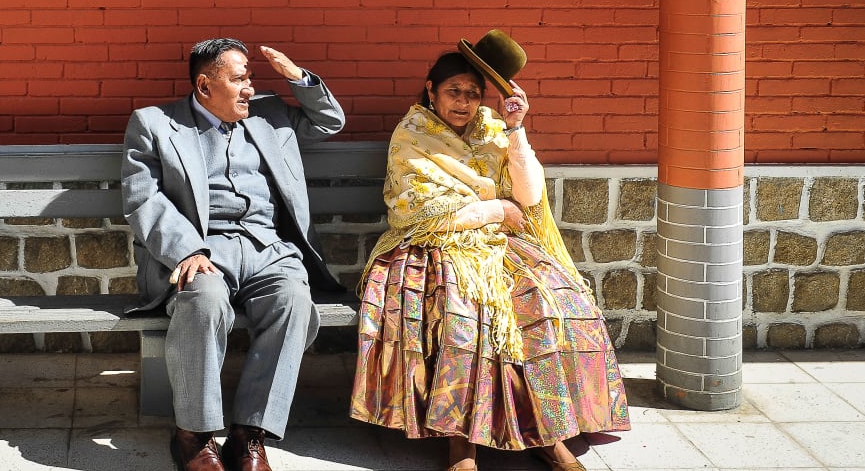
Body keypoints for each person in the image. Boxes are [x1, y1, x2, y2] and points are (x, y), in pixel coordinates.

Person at [350, 32, 630, 471]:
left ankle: (549, 432)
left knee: (551, 303)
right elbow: (416, 212)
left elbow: (529, 195)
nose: (463, 102)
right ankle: (460, 442)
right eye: (453, 91)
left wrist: (516, 129)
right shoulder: (413, 134)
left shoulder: (494, 129)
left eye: (473, 93)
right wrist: (495, 209)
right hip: (431, 244)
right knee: (462, 312)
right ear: (431, 90)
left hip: (500, 244)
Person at [122, 39, 345, 471]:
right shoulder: (154, 123)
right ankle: (194, 435)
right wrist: (187, 249)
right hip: (201, 249)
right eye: (239, 78)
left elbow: (330, 121)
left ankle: (248, 434)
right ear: (205, 85)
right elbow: (143, 198)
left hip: (269, 248)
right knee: (203, 301)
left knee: (294, 302)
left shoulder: (269, 113)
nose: (249, 87)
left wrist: (297, 77)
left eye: (250, 78)